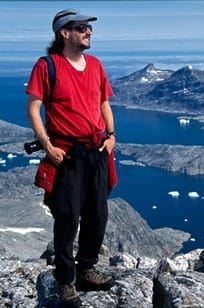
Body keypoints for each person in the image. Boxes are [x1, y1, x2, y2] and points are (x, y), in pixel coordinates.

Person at [26, 8, 117, 307]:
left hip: (96, 150)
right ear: (64, 33)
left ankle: (86, 268)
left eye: (88, 28)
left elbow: (103, 101)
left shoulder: (95, 65)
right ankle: (66, 280)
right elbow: (34, 108)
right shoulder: (48, 65)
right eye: (81, 28)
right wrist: (47, 146)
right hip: (66, 153)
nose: (88, 32)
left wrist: (112, 135)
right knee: (67, 216)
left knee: (97, 213)